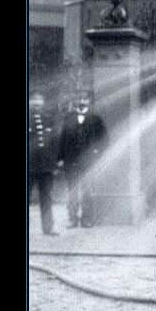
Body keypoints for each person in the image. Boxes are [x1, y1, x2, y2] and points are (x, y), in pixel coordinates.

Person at [57, 96, 108, 228]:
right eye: (79, 100)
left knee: (87, 191)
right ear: (76, 102)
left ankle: (87, 219)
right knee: (72, 191)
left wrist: (97, 152)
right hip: (70, 161)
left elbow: (104, 138)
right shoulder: (69, 118)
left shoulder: (95, 118)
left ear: (89, 102)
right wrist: (60, 159)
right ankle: (72, 219)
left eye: (85, 99)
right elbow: (62, 139)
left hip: (88, 162)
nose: (81, 102)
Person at [28, 91, 58, 236]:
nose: (37, 103)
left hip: (46, 166)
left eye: (39, 100)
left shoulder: (48, 119)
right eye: (33, 100)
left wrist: (55, 163)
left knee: (46, 197)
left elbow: (54, 143)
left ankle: (48, 228)